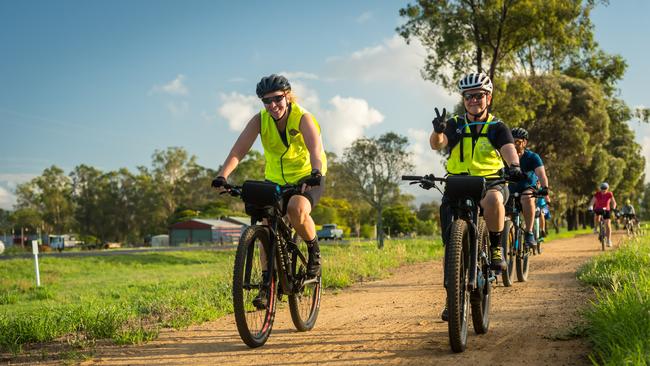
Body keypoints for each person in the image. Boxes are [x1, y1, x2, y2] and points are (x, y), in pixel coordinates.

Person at [212, 74, 328, 305]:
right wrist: (222, 175)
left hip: (308, 177)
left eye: (277, 99)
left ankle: (314, 251)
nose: (273, 105)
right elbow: (239, 150)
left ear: (287, 96)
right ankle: (267, 285)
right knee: (266, 226)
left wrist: (315, 172)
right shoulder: (260, 120)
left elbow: (315, 149)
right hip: (275, 180)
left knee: (296, 208)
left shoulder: (303, 118)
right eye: (267, 101)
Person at [430, 72, 523, 321]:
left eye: (479, 96)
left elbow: (509, 150)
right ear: (464, 99)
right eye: (469, 96)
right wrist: (439, 131)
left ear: (488, 98)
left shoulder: (497, 127)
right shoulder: (456, 124)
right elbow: (437, 144)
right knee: (452, 246)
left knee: (494, 200)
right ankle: (453, 299)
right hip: (458, 182)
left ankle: (495, 248)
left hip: (489, 182)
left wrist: (514, 166)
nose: (474, 100)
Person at [509, 127, 550, 248]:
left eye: (517, 142)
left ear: (524, 143)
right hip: (509, 188)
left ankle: (529, 232)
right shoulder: (504, 155)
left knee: (526, 199)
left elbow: (542, 175)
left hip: (528, 188)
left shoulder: (533, 157)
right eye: (512, 142)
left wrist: (545, 188)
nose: (514, 145)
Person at [588, 182, 617, 247]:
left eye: (605, 188)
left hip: (607, 210)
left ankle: (608, 241)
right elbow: (592, 202)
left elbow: (614, 202)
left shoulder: (610, 194)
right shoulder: (597, 194)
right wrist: (590, 207)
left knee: (608, 224)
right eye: (602, 188)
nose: (603, 190)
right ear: (600, 188)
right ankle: (595, 228)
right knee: (596, 216)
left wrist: (614, 208)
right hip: (598, 209)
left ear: (607, 188)